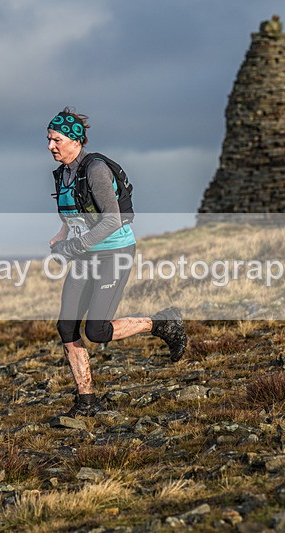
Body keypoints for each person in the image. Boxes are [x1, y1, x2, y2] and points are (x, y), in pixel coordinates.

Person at [46, 107, 188, 418]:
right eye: (48, 140)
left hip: (113, 253)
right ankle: (87, 402)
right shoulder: (65, 173)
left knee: (96, 331)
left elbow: (111, 220)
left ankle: (161, 323)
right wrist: (62, 235)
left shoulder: (95, 169)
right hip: (85, 255)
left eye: (56, 140)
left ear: (75, 140)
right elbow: (75, 213)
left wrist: (76, 245)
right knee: (66, 326)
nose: (50, 146)